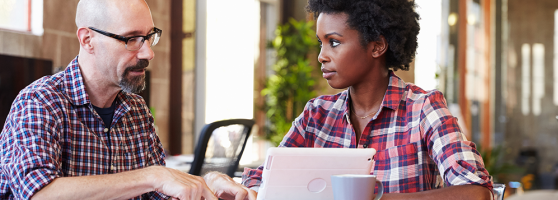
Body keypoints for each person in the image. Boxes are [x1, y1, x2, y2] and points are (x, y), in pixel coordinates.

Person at [207, 0, 494, 199]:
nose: (322, 55)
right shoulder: (316, 115)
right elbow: (262, 179)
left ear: (377, 45)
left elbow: (476, 192)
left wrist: (373, 197)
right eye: (320, 43)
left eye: (334, 42)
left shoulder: (423, 109)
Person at [0, 0, 253, 199]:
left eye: (149, 37)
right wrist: (153, 176)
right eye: (131, 39)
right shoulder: (40, 102)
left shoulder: (135, 110)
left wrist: (207, 185)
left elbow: (158, 192)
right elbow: (38, 194)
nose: (148, 53)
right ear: (87, 39)